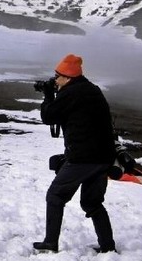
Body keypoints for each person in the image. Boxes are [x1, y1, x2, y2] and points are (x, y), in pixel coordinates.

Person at [33, 54, 117, 254]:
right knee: (92, 202)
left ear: (68, 77)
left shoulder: (71, 93)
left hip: (83, 158)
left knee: (55, 196)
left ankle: (50, 242)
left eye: (58, 76)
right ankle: (107, 246)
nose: (55, 80)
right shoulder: (91, 90)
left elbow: (48, 116)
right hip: (103, 157)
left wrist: (47, 95)